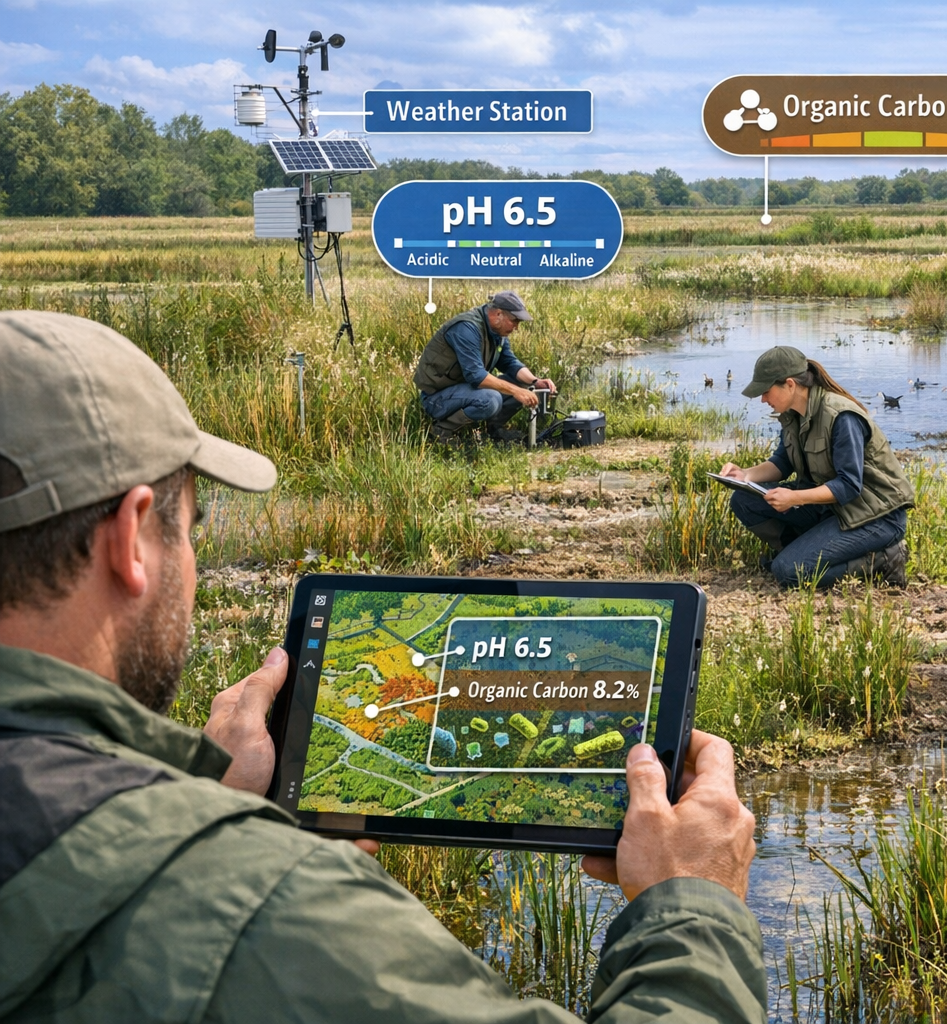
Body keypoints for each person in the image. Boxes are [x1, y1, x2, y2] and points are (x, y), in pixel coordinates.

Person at [0, 310, 765, 1023]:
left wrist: (213, 806)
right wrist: (690, 906)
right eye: (191, 527)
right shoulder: (265, 912)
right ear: (132, 540)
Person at [719, 346, 915, 589]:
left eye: (766, 391)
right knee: (744, 499)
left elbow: (849, 486)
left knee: (788, 573)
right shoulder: (793, 414)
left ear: (790, 384)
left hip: (875, 518)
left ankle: (884, 559)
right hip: (832, 509)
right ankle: (800, 552)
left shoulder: (841, 416)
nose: (763, 399)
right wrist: (745, 475)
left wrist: (794, 497)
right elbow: (782, 462)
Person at [414, 290, 559, 444]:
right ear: (498, 314)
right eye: (515, 320)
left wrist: (535, 382)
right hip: (437, 398)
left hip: (465, 391)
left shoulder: (497, 332)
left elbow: (509, 363)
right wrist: (516, 391)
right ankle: (441, 432)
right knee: (491, 399)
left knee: (524, 384)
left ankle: (493, 431)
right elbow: (476, 376)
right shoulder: (466, 329)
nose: (517, 327)